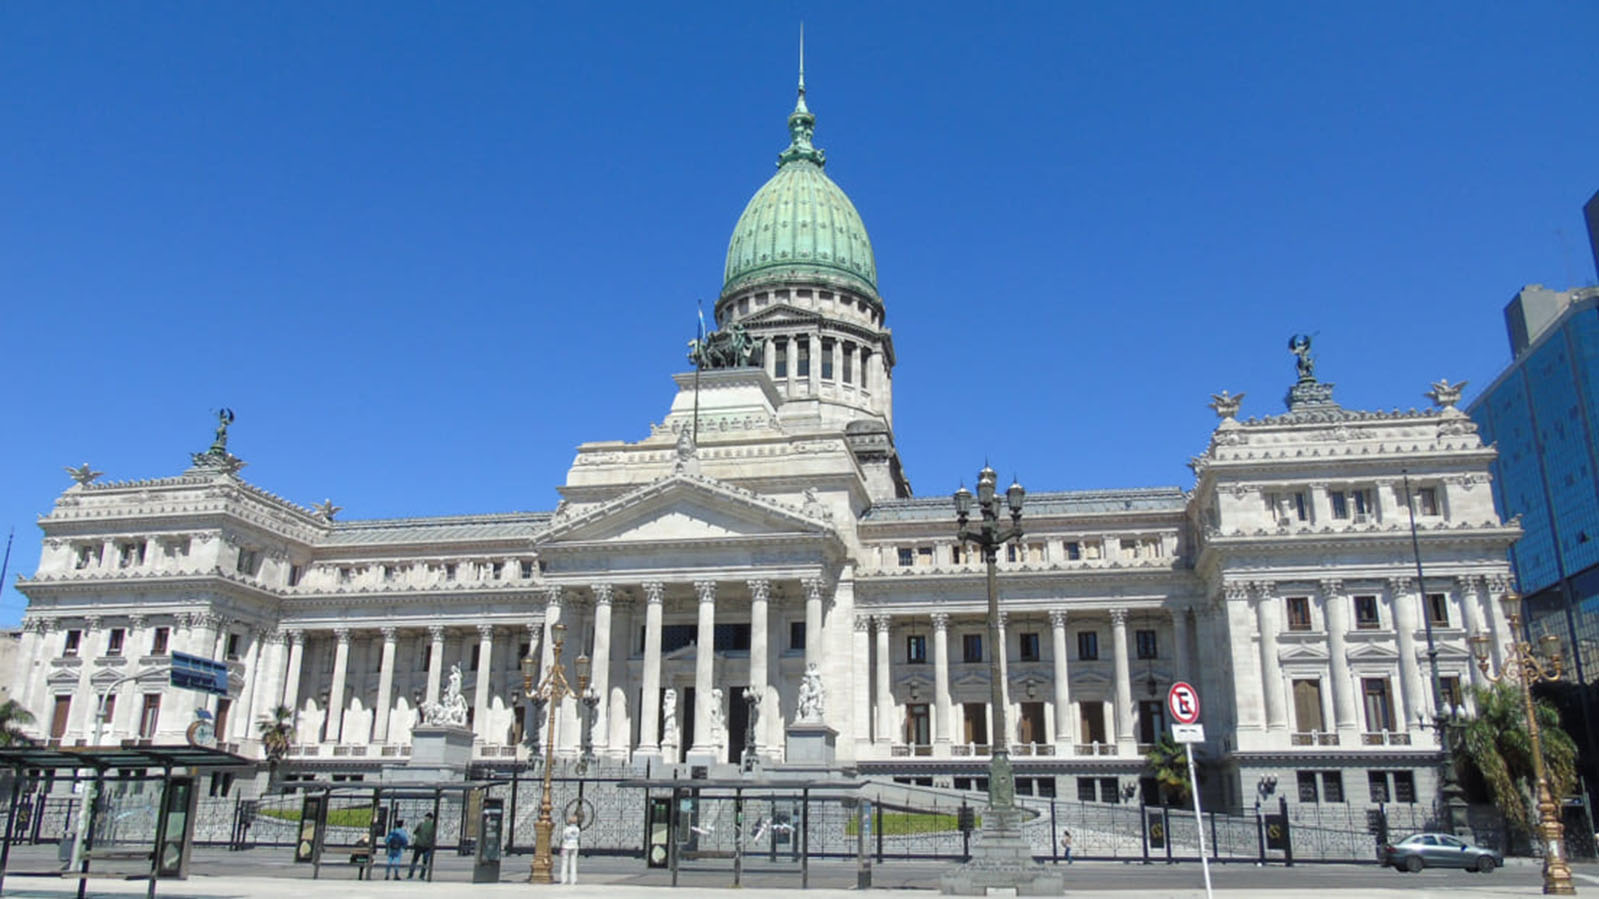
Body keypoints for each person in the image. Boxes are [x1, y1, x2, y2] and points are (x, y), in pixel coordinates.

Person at [408, 813, 435, 879]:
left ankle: (410, 874)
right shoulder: (433, 825)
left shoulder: (421, 824)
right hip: (427, 846)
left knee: (414, 860)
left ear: (427, 817)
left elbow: (415, 832)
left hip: (419, 844)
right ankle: (422, 875)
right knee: (425, 861)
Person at [560, 814, 582, 884]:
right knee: (573, 863)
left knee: (564, 863)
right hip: (574, 846)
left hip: (566, 846)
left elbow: (564, 838)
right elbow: (578, 837)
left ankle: (564, 879)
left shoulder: (567, 829)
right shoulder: (577, 829)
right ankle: (573, 880)